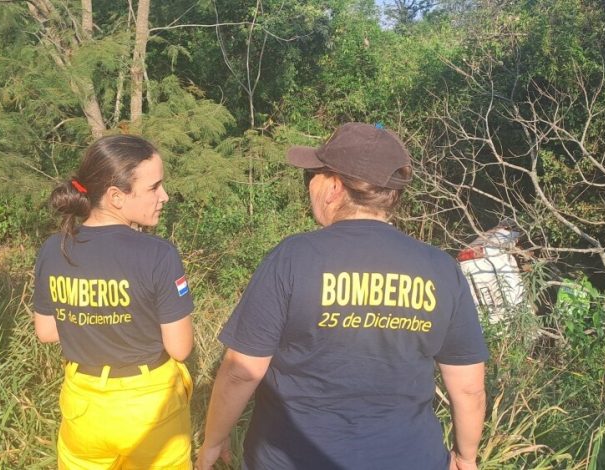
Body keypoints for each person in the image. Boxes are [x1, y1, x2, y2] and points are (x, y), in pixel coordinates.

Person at [196, 122, 489, 470]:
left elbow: (241, 372)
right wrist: (466, 457)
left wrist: (213, 440)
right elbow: (469, 387)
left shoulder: (292, 258)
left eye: (313, 176)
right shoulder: (440, 268)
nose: (309, 185)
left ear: (334, 186)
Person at [32, 134, 195, 469]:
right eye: (154, 187)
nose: (164, 196)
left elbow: (46, 331)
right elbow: (180, 348)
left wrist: (92, 321)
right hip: (150, 410)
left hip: (83, 409)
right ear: (116, 197)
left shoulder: (54, 248)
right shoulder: (158, 254)